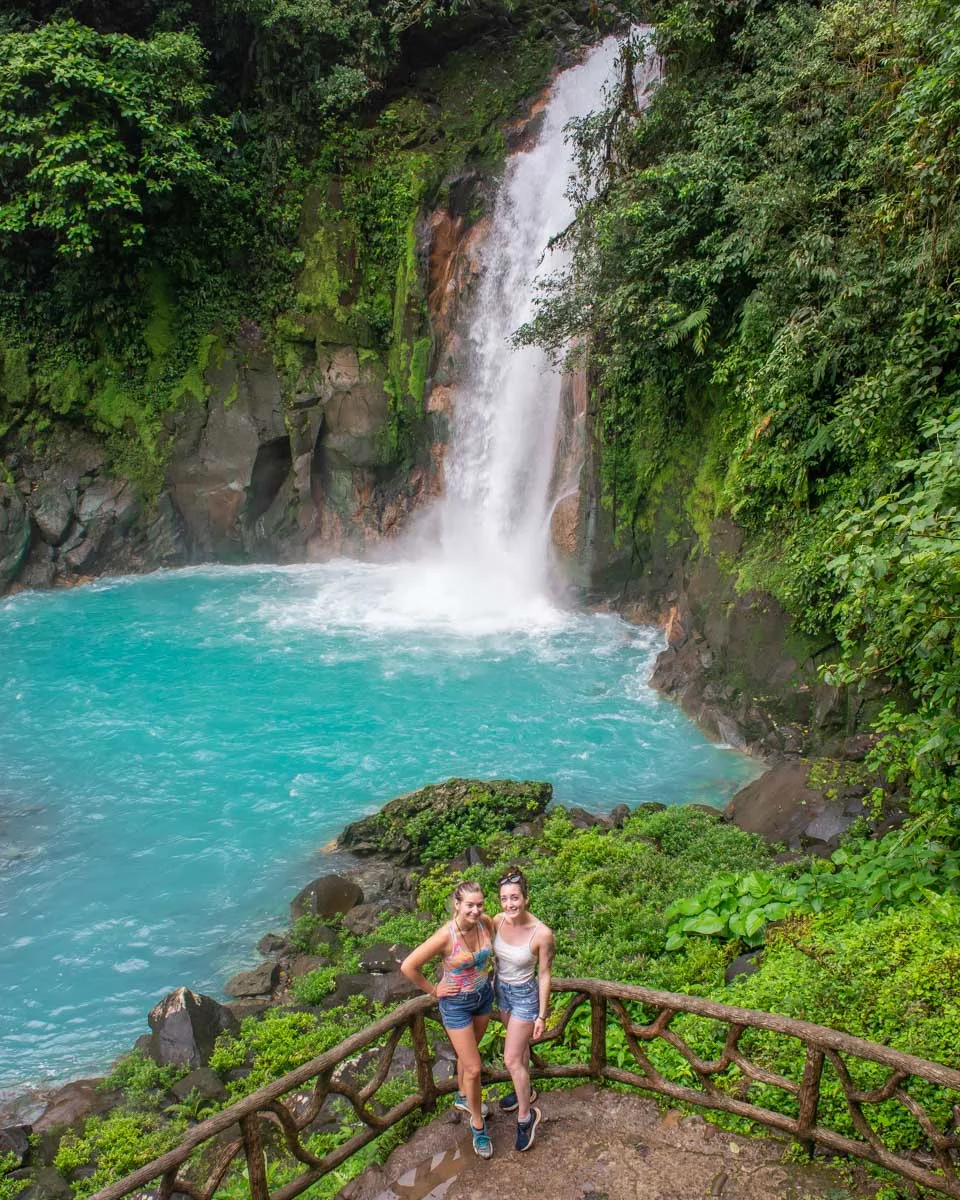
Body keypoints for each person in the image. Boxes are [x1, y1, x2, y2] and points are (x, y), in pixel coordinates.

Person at [400, 881, 495, 1159]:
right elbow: (408, 966)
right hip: (456, 1005)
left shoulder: (485, 923)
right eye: (470, 905)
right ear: (457, 904)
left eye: (479, 904)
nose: (476, 910)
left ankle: (464, 1097)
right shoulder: (445, 936)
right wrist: (434, 990)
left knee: (469, 1060)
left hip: (483, 998)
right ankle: (478, 1124)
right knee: (475, 1068)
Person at [493, 867, 554, 1152]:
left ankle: (526, 1118)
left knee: (510, 1060)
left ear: (526, 898)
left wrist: (542, 1014)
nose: (509, 905)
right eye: (504, 899)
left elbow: (544, 974)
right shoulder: (497, 921)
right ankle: (525, 1093)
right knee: (520, 1054)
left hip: (525, 998)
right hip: (501, 992)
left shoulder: (541, 934)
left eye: (515, 898)